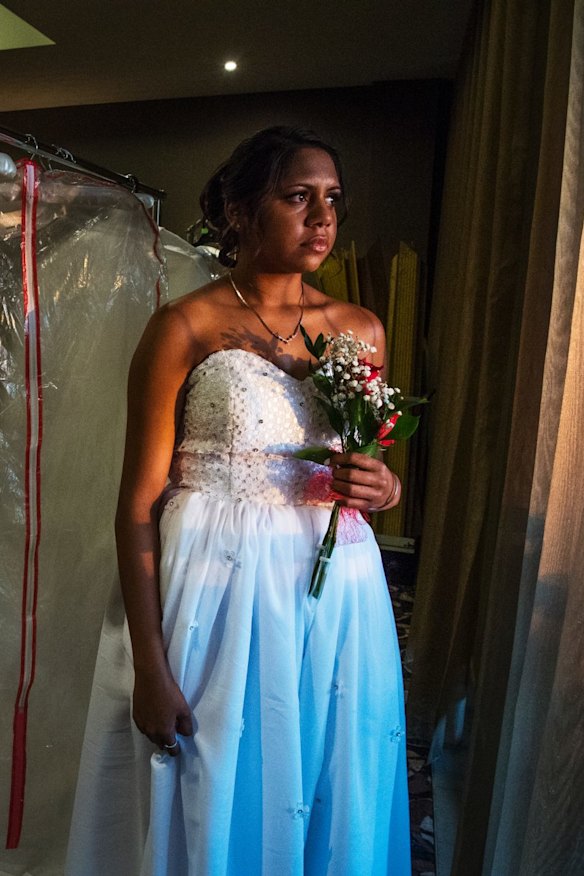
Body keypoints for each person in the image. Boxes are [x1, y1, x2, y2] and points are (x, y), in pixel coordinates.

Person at [65, 126, 411, 875]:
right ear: (242, 211)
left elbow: (371, 465)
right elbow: (136, 505)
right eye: (298, 197)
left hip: (335, 592)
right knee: (215, 770)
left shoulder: (360, 331)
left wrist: (384, 485)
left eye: (333, 200)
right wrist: (149, 668)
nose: (323, 217)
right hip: (217, 590)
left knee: (325, 761)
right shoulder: (183, 327)